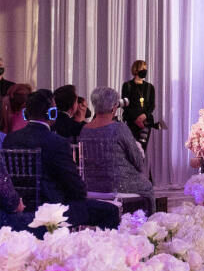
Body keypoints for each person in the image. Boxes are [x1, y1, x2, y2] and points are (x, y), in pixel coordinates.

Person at [3, 89, 118, 228]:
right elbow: (75, 187)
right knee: (111, 211)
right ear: (52, 113)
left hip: (21, 208)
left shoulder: (10, 139)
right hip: (54, 210)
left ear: (26, 114)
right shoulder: (57, 142)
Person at [80, 87, 152, 199]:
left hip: (90, 186)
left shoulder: (85, 129)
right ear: (114, 107)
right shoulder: (119, 128)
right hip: (118, 185)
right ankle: (146, 217)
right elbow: (138, 161)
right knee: (148, 187)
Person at [122, 59, 156, 150]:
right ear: (136, 70)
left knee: (142, 149)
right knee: (130, 149)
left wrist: (143, 116)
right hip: (131, 122)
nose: (145, 71)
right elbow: (125, 105)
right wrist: (136, 119)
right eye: (143, 68)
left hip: (145, 122)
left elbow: (152, 105)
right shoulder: (127, 85)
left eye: (146, 69)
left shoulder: (150, 87)